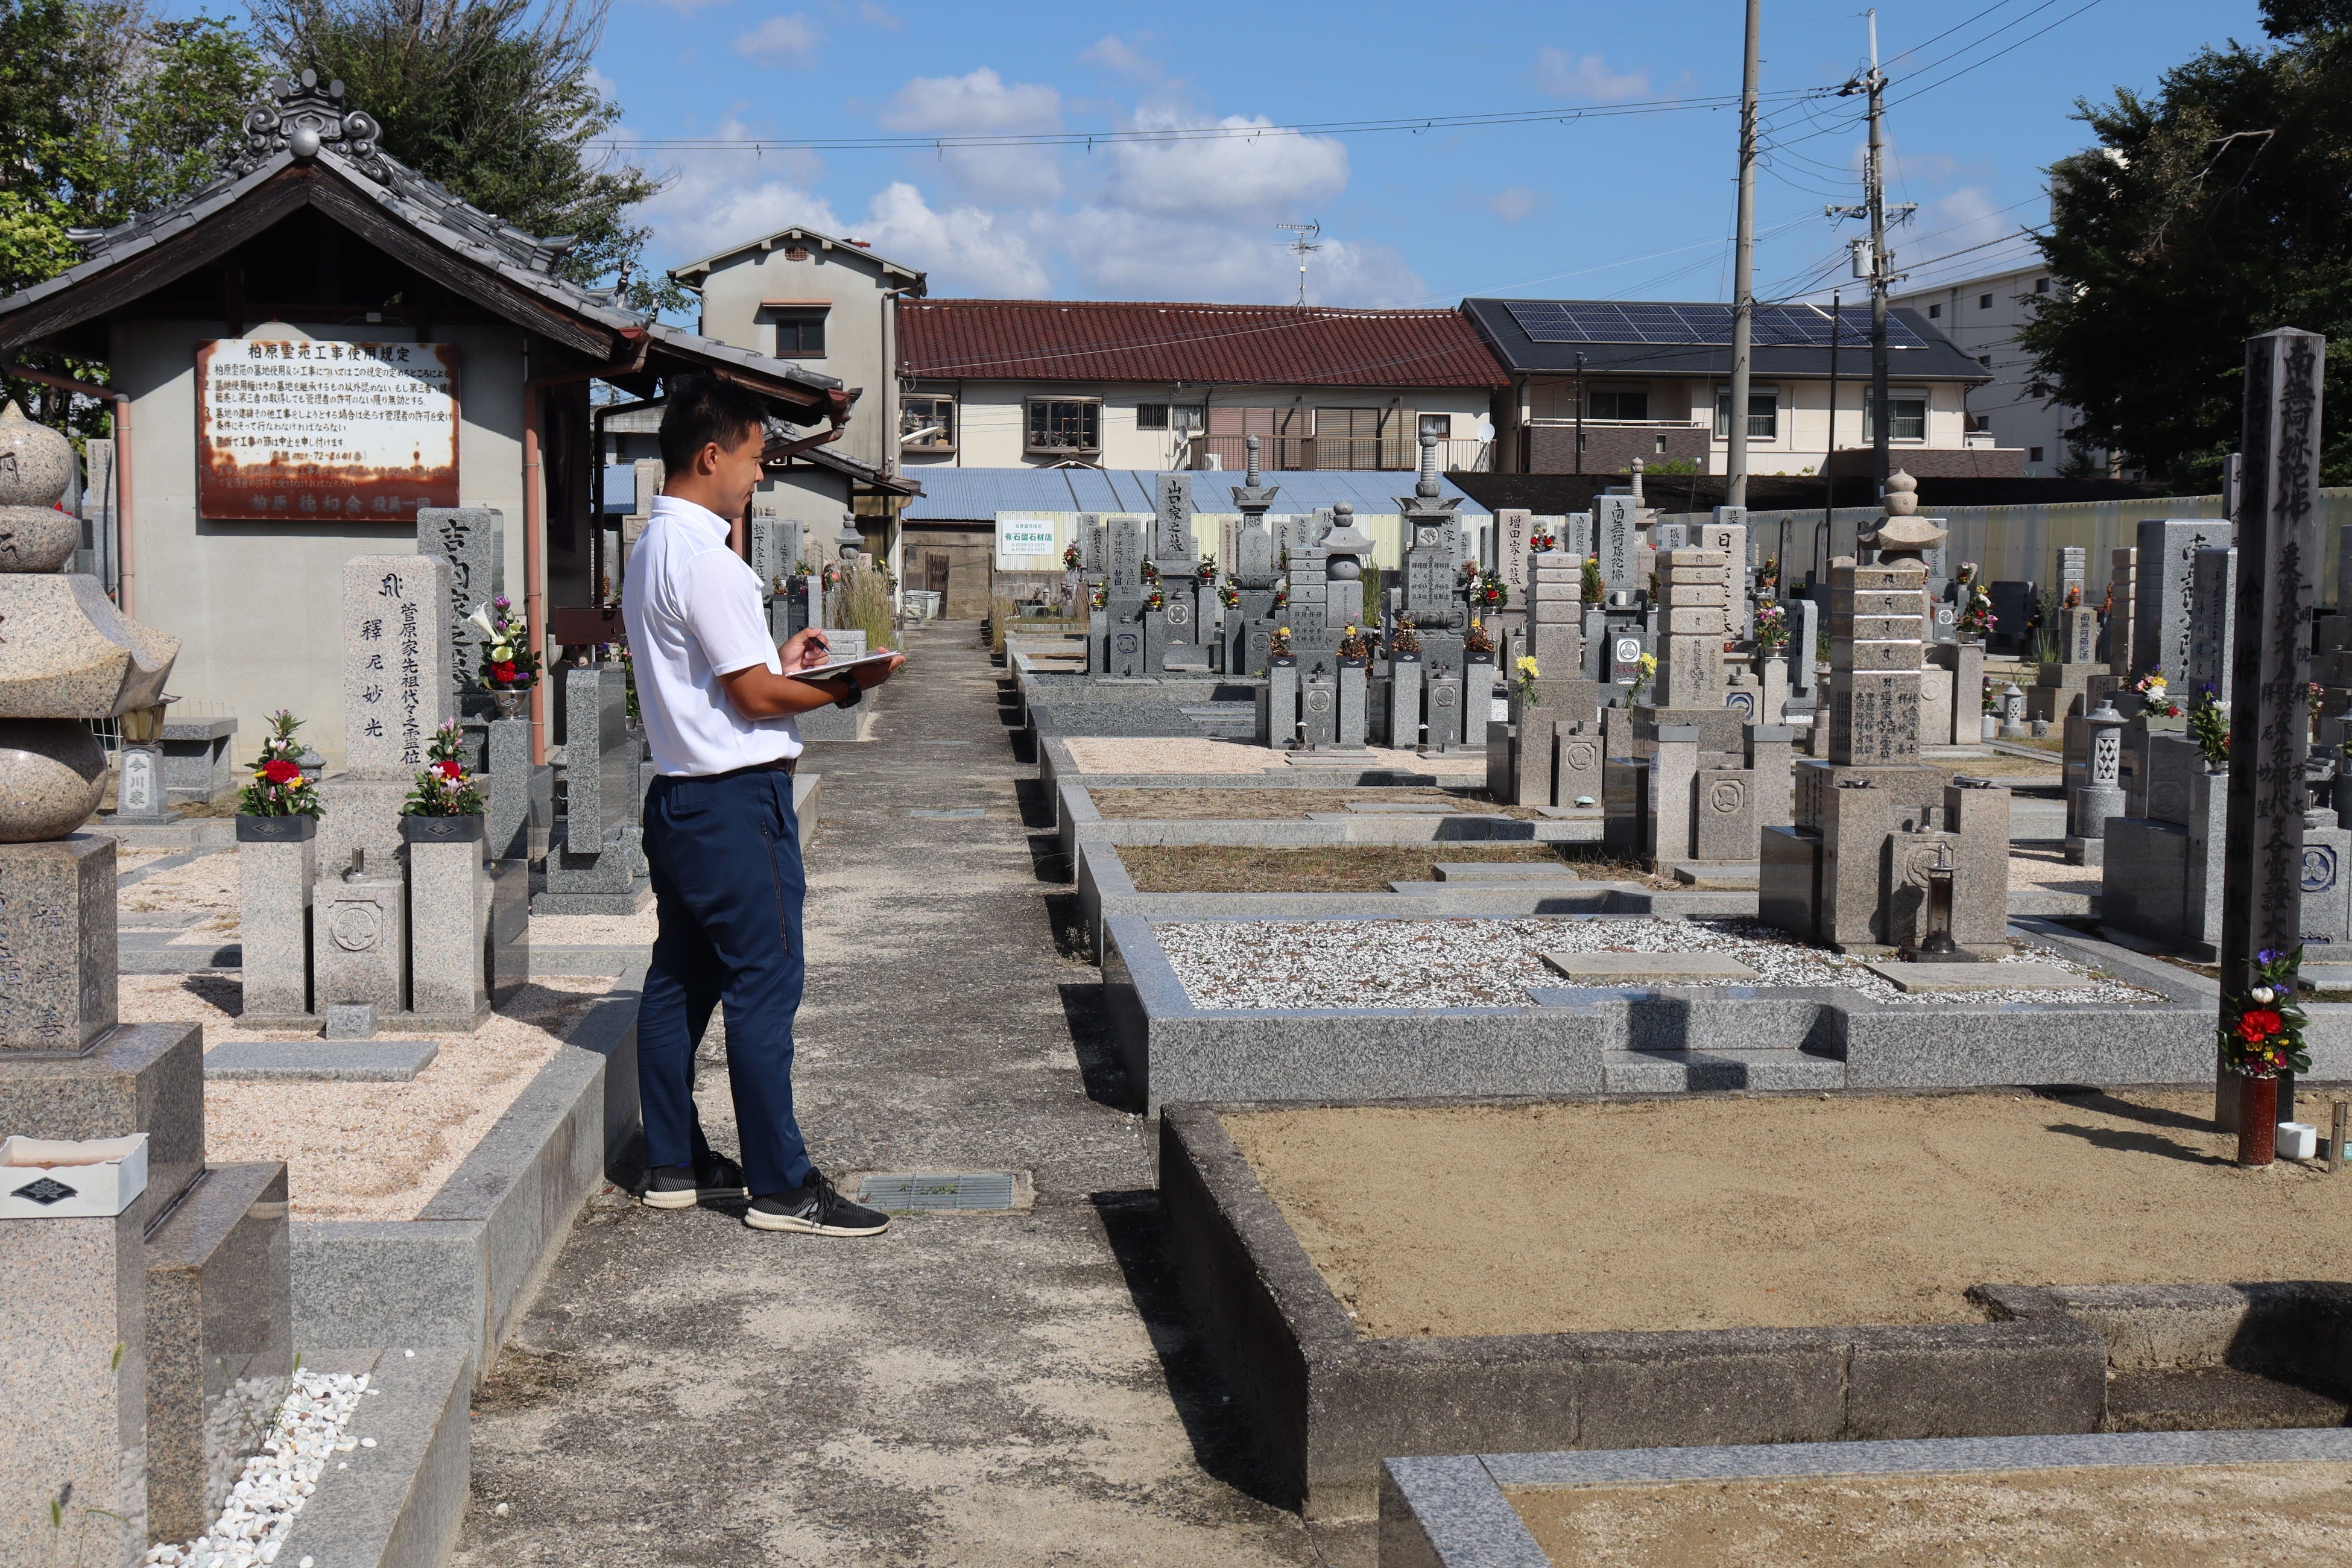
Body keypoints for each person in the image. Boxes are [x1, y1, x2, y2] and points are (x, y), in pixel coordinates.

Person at [620, 373, 903, 1235]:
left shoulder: (651, 549)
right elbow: (752, 701)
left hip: (679, 797)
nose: (759, 476)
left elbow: (720, 679)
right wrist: (848, 687)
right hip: (737, 807)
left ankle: (672, 1162)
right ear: (711, 455)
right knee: (763, 987)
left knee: (681, 977)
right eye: (753, 457)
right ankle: (782, 1186)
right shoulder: (709, 558)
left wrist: (782, 661)